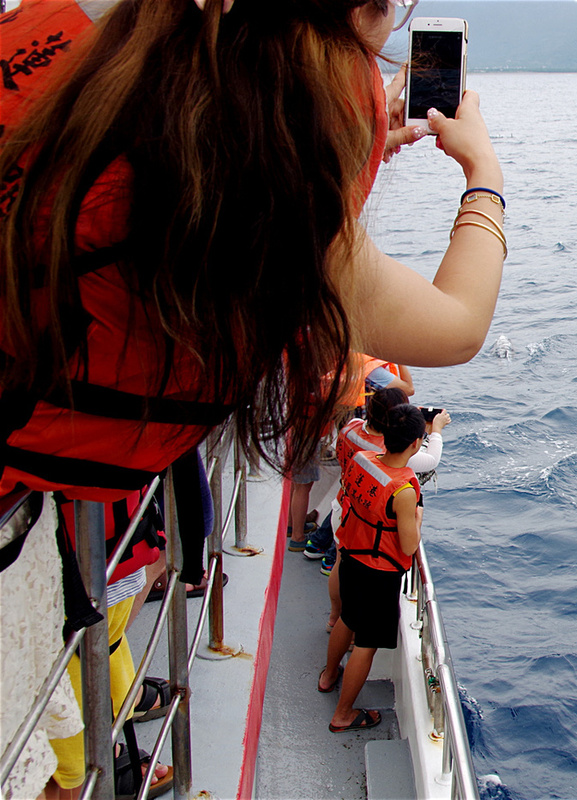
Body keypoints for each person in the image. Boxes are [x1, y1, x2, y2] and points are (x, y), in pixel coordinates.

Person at [1, 0, 504, 793]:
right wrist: (484, 174)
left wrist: (371, 136)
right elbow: (457, 325)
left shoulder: (97, 50)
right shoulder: (269, 201)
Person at [317, 400, 426, 732]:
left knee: (346, 619)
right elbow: (409, 544)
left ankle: (328, 674)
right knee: (365, 643)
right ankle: (343, 713)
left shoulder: (363, 460)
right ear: (415, 443)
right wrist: (419, 515)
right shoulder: (404, 491)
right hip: (379, 573)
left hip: (350, 555)